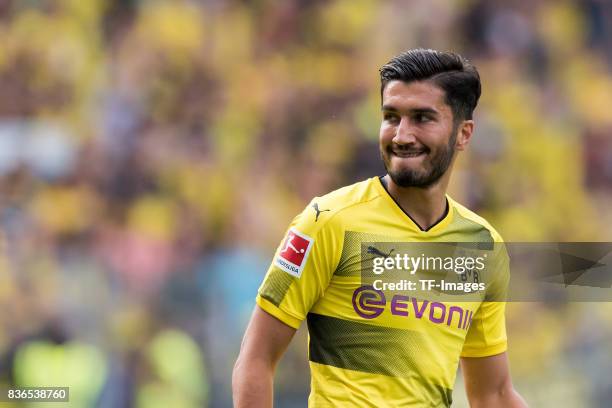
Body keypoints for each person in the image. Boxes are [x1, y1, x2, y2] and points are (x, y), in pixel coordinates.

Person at [233, 49, 527, 407]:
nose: (402, 135)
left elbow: (492, 394)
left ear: (463, 134)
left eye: (422, 118)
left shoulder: (483, 247)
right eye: (391, 117)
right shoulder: (326, 220)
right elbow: (256, 359)